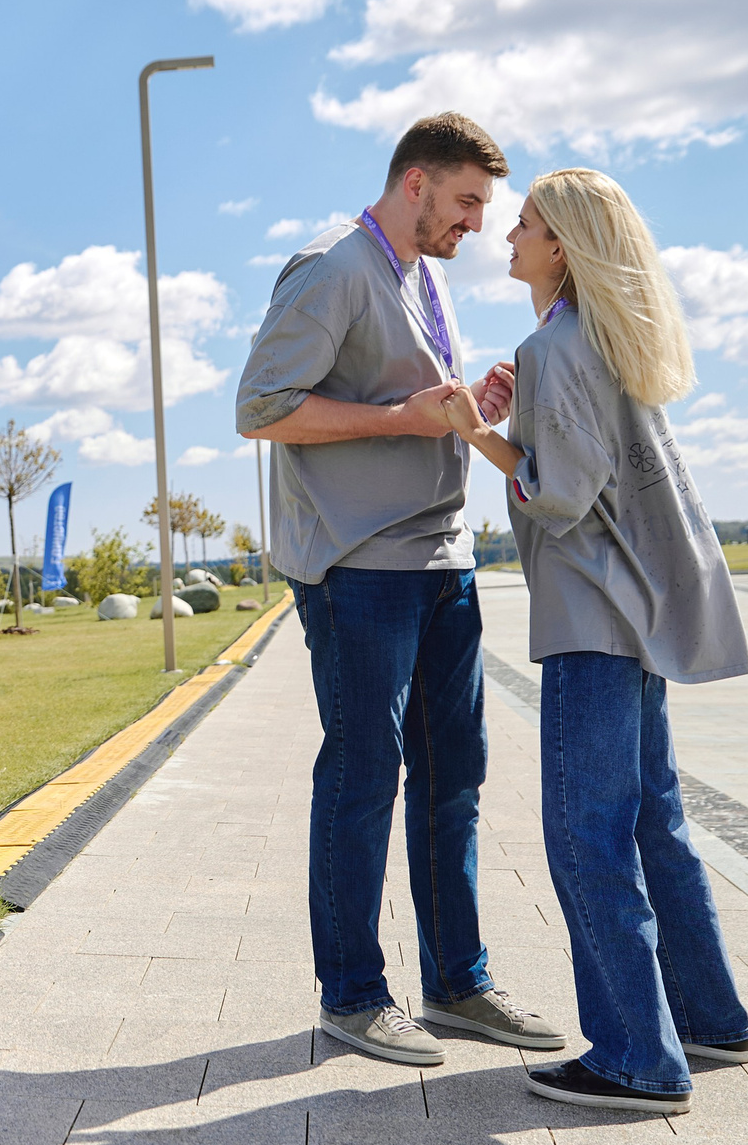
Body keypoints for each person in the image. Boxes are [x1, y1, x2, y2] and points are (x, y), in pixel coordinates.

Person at [237, 112, 565, 1067]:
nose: (476, 226)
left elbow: (416, 406)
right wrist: (400, 416)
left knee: (452, 779)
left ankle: (458, 983)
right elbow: (262, 409)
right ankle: (352, 995)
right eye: (466, 202)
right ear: (415, 184)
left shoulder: (423, 274)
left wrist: (467, 406)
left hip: (442, 563)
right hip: (359, 569)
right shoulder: (332, 266)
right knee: (363, 776)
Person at [443, 168, 748, 1115]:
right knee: (652, 818)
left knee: (587, 830)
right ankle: (708, 1019)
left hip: (589, 624)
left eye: (525, 225)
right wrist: (517, 395)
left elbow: (562, 494)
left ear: (561, 249)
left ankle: (634, 1057)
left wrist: (475, 432)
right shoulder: (588, 342)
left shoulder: (561, 348)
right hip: (637, 620)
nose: (507, 236)